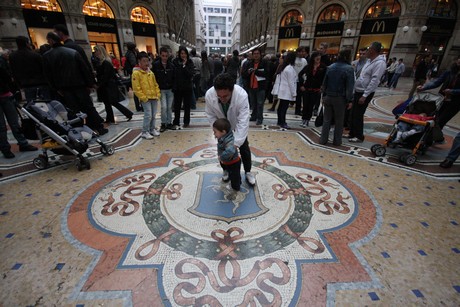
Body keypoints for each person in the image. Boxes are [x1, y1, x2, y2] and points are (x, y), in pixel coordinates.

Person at [42, 32, 107, 135]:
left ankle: (79, 131)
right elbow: (84, 69)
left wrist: (56, 89)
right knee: (88, 107)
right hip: (79, 85)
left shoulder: (47, 56)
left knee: (72, 110)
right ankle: (98, 127)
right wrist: (90, 84)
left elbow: (48, 75)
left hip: (64, 88)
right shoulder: (72, 52)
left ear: (51, 40)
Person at [205, 73, 256, 186]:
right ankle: (225, 170)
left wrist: (236, 143)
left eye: (226, 96)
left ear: (232, 90)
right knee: (222, 149)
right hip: (221, 126)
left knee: (244, 148)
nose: (222, 99)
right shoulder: (209, 94)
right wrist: (218, 130)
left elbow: (243, 120)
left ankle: (248, 172)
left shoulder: (241, 95)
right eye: (219, 96)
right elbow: (210, 115)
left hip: (236, 124)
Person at [347, 41, 387, 142]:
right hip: (358, 90)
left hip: (365, 92)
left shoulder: (380, 63)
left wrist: (365, 95)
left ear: (373, 50)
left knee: (358, 114)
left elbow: (375, 80)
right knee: (353, 113)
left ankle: (358, 135)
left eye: (369, 49)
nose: (367, 51)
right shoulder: (369, 61)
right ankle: (352, 133)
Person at [0, 65, 38, 159]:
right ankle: (8, 148)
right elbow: (8, 79)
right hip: (5, 94)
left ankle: (20, 144)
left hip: (6, 95)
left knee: (12, 123)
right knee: (5, 125)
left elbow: (7, 78)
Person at [320, 49, 355, 146]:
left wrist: (324, 96)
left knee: (326, 120)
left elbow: (324, 84)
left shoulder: (330, 67)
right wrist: (350, 100)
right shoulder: (349, 69)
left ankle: (323, 140)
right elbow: (350, 86)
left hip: (328, 96)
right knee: (339, 121)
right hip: (340, 98)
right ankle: (337, 141)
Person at [417, 56, 460, 130]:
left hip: (455, 102)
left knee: (441, 121)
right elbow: (437, 82)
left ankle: (432, 137)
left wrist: (452, 91)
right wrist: (424, 87)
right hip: (442, 99)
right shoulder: (449, 72)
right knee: (434, 118)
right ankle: (427, 136)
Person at [93, 45, 133, 124]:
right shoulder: (103, 62)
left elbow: (106, 76)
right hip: (106, 86)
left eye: (96, 51)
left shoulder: (106, 62)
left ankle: (128, 113)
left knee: (112, 102)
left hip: (108, 86)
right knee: (108, 103)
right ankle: (110, 118)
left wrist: (99, 84)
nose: (95, 53)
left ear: (100, 52)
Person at [9, 36, 50, 102]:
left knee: (32, 105)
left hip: (25, 84)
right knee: (46, 104)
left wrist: (19, 85)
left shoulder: (12, 56)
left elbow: (13, 71)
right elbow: (44, 69)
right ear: (27, 43)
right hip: (40, 83)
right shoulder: (35, 55)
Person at [131, 52, 161, 139]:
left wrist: (157, 93)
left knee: (153, 114)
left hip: (154, 97)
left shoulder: (150, 72)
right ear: (139, 61)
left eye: (147, 61)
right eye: (144, 61)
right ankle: (145, 131)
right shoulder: (136, 73)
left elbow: (155, 84)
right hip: (146, 98)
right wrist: (143, 98)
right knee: (148, 115)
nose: (146, 63)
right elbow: (136, 88)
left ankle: (152, 129)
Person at [298, 51, 327, 127]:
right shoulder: (308, 66)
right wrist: (301, 85)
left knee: (311, 105)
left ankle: (307, 119)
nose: (318, 59)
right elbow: (300, 74)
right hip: (307, 88)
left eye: (319, 57)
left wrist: (323, 86)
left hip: (316, 89)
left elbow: (326, 78)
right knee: (305, 104)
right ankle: (303, 119)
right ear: (313, 58)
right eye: (317, 57)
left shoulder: (323, 67)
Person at [213, 118, 241, 192]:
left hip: (233, 163)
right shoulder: (222, 137)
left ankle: (236, 187)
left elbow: (230, 150)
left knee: (235, 177)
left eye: (215, 132)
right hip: (226, 161)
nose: (214, 134)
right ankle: (227, 172)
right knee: (228, 170)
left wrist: (221, 157)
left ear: (223, 132)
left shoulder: (229, 141)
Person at [241, 47, 268, 125]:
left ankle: (260, 118)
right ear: (252, 55)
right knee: (253, 103)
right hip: (251, 86)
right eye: (254, 54)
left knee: (260, 103)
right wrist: (248, 72)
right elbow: (243, 74)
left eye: (257, 54)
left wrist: (255, 71)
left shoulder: (264, 63)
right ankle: (254, 116)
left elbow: (267, 73)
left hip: (260, 86)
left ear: (260, 54)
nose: (256, 55)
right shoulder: (249, 63)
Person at [152, 47, 175, 132]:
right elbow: (154, 77)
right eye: (163, 55)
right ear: (160, 55)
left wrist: (173, 86)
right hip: (161, 89)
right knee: (163, 107)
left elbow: (174, 77)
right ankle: (163, 123)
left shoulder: (171, 65)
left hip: (170, 89)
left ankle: (169, 123)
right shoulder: (156, 65)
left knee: (169, 107)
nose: (164, 57)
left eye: (166, 56)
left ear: (168, 56)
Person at [172, 46, 195, 129]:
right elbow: (174, 74)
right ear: (179, 54)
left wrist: (184, 66)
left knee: (187, 106)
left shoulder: (189, 62)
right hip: (178, 88)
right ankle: (176, 121)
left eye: (184, 53)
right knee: (177, 106)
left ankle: (186, 121)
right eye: (181, 53)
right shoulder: (175, 62)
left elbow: (190, 74)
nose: (183, 55)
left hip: (187, 88)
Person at [276, 51, 297, 129]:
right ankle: (283, 122)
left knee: (281, 106)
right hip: (287, 91)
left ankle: (279, 121)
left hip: (283, 90)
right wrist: (294, 93)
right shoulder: (289, 68)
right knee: (284, 107)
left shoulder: (284, 67)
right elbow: (291, 82)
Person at [124, 42, 142, 112]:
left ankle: (138, 106)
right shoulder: (131, 54)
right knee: (137, 90)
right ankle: (139, 106)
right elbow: (134, 63)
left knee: (136, 90)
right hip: (135, 73)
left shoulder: (128, 53)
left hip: (132, 73)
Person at [293, 47, 308, 115]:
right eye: (301, 52)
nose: (303, 53)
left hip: (301, 81)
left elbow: (305, 71)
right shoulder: (293, 60)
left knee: (299, 97)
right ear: (297, 52)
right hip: (293, 80)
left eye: (304, 52)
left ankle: (298, 110)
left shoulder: (304, 60)